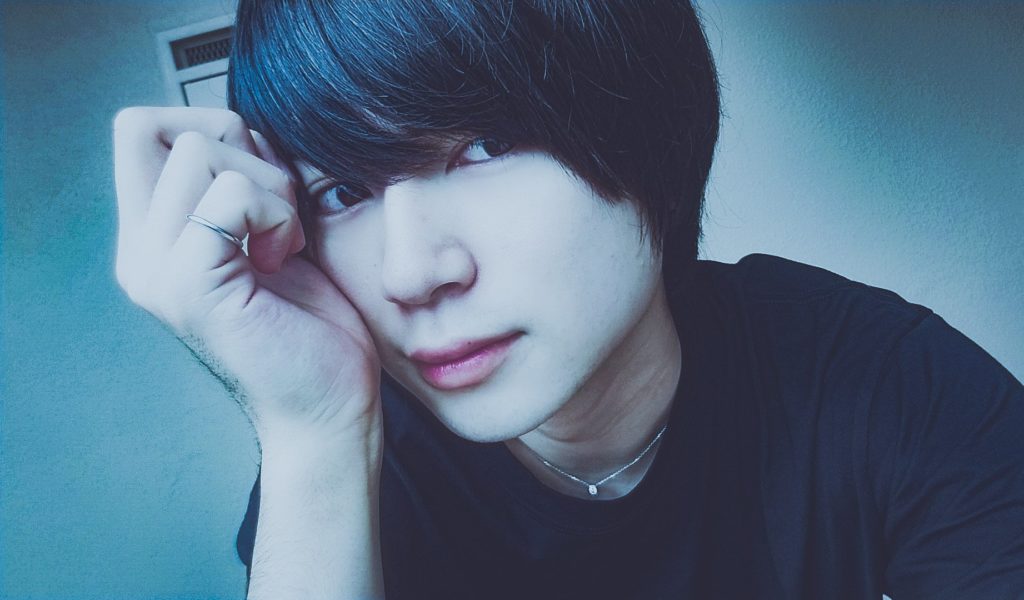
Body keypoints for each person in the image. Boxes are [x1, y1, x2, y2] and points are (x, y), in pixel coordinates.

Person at [112, 1, 1024, 598]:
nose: (410, 272)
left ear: (649, 123)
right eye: (343, 191)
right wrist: (312, 435)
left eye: (484, 146)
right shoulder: (350, 462)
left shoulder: (878, 378)